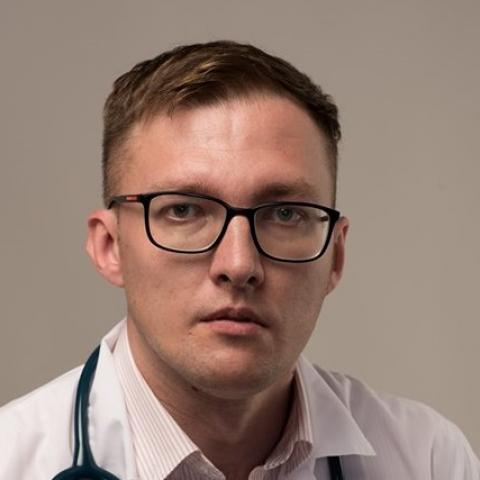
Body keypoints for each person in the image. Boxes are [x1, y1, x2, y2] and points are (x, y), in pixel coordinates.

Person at [0, 40, 478, 480]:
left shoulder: (430, 460)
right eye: (184, 210)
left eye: (285, 213)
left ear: (334, 255)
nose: (238, 264)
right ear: (110, 247)